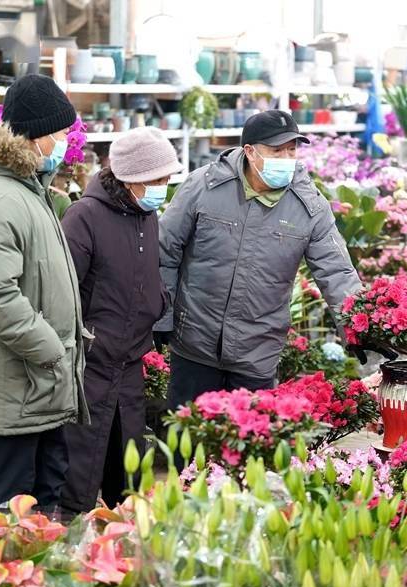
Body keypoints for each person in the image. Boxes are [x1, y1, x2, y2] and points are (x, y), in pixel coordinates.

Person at [155, 109, 361, 407]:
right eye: (277, 150)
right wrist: (162, 315)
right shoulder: (203, 186)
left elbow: (336, 271)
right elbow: (165, 250)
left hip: (257, 354)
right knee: (187, 446)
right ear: (249, 152)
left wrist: (356, 326)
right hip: (195, 346)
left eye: (292, 149)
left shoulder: (310, 206)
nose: (287, 158)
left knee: (247, 447)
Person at [0, 74, 89, 511]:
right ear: (36, 137)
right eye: (61, 133)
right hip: (19, 386)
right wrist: (51, 349)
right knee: (10, 512)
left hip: (35, 387)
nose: (66, 142)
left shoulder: (27, 192)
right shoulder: (1, 198)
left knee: (41, 505)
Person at [59, 128, 181, 513]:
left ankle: (121, 549)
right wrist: (84, 339)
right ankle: (71, 542)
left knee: (127, 470)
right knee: (80, 467)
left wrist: (157, 302)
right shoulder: (84, 217)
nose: (163, 187)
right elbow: (64, 289)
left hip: (130, 363)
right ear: (132, 177)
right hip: (91, 364)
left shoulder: (147, 215)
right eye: (157, 179)